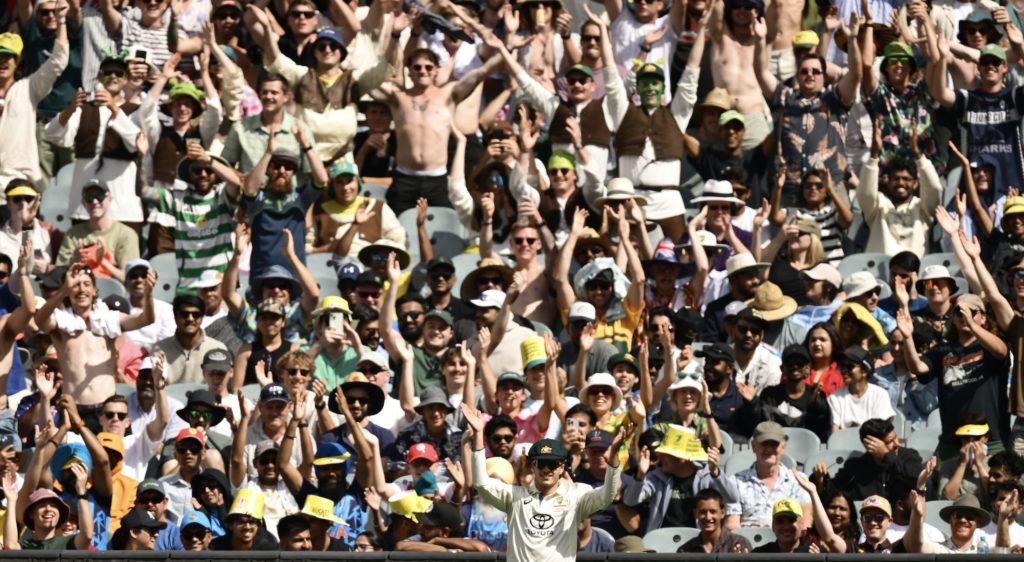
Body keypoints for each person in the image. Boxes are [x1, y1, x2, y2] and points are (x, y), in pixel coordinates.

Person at [464, 403, 624, 562]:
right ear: (533, 466)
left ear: (561, 467)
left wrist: (614, 457)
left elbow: (607, 495)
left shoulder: (576, 494)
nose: (547, 469)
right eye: (541, 463)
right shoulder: (514, 496)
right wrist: (478, 435)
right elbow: (481, 483)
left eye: (553, 464)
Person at [368, 48, 501, 216]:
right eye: (417, 67)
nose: (423, 71)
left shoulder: (449, 94)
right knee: (398, 232)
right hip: (404, 179)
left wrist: (504, 49)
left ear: (436, 70)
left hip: (437, 180)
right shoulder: (399, 98)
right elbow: (368, 83)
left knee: (445, 230)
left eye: (428, 67)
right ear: (409, 70)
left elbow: (481, 72)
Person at [35, 263, 155, 426]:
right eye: (75, 285)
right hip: (73, 409)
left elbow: (146, 319)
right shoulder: (61, 324)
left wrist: (148, 294)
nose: (81, 290)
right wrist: (63, 289)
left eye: (86, 284)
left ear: (94, 291)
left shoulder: (109, 321)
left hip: (109, 412)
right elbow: (40, 320)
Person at [816, 418, 923, 500]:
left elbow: (917, 478)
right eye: (889, 442)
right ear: (870, 445)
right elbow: (832, 493)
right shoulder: (856, 467)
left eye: (895, 437)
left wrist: (887, 456)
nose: (896, 444)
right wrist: (821, 480)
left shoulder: (909, 456)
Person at [678, 488, 752, 553]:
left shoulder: (739, 544)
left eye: (713, 512)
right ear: (695, 514)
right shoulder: (686, 550)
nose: (708, 517)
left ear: (722, 513)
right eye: (703, 512)